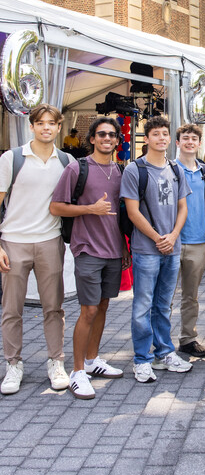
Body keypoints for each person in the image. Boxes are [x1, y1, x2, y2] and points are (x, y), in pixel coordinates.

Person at [50, 117, 129, 399]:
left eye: (112, 134)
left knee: (104, 307)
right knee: (89, 310)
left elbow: (120, 215)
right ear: (92, 138)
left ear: (118, 140)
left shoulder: (121, 171)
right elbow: (56, 207)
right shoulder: (76, 168)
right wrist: (89, 209)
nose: (107, 138)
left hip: (112, 251)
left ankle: (94, 360)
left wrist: (122, 248)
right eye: (101, 134)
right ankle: (77, 371)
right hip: (87, 250)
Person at [0, 104, 72, 395]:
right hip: (13, 241)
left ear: (58, 128)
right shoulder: (12, 158)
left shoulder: (66, 161)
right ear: (31, 126)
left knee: (53, 308)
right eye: (40, 123)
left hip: (49, 241)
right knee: (11, 309)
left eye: (51, 123)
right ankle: (13, 365)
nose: (45, 127)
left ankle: (56, 362)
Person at [121, 116, 192, 383]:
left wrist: (173, 236)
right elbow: (132, 211)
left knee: (163, 305)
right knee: (142, 306)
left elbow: (183, 207)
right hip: (146, 250)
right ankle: (142, 359)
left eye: (165, 134)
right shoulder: (134, 170)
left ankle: (165, 352)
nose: (161, 138)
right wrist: (157, 238)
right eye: (156, 134)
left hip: (172, 249)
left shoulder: (176, 169)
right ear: (146, 138)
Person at [174, 124, 205, 359]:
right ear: (177, 143)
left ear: (199, 143)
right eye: (185, 138)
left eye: (193, 138)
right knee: (163, 296)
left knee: (191, 296)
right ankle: (159, 342)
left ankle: (188, 338)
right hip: (172, 241)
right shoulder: (168, 168)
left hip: (198, 242)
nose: (189, 142)